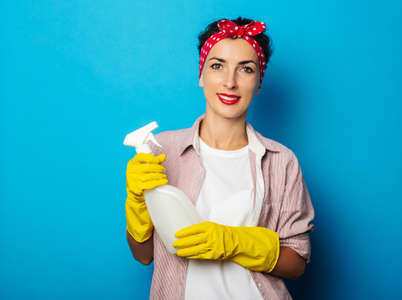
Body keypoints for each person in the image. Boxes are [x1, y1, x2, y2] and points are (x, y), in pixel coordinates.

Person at [125, 17, 315, 300]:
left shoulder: (281, 161)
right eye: (217, 65)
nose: (229, 82)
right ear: (201, 74)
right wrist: (138, 204)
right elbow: (143, 256)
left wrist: (235, 242)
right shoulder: (160, 151)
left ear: (258, 82)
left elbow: (296, 264)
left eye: (246, 69)